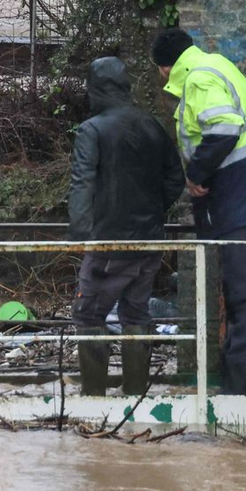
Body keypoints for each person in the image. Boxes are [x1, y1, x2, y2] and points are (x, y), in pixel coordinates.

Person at [150, 27, 246, 395]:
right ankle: (237, 387)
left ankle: (242, 396)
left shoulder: (199, 80)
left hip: (242, 194)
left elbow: (224, 128)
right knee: (241, 291)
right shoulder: (217, 64)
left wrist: (197, 176)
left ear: (164, 69)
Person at [68, 57, 185, 396]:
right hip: (149, 242)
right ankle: (135, 397)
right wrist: (153, 211)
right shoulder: (152, 125)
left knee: (89, 314)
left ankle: (94, 399)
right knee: (136, 312)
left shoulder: (93, 129)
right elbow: (175, 177)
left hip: (109, 242)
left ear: (96, 89)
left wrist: (80, 233)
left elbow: (82, 183)